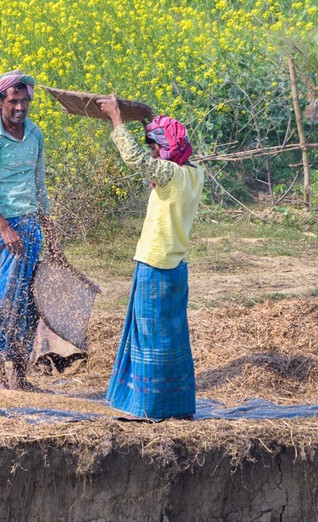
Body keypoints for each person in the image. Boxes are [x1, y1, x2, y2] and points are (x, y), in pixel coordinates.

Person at [97, 94, 205, 419]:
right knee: (172, 335)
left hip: (155, 265)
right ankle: (177, 405)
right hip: (177, 269)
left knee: (149, 335)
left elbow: (135, 159)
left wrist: (118, 119)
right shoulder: (194, 174)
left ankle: (148, 406)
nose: (152, 153)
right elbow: (159, 159)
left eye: (155, 147)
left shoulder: (169, 175)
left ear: (167, 150)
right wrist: (147, 123)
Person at [0, 70, 63, 392]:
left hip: (30, 228)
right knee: (3, 297)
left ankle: (20, 379)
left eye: (25, 101)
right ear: (0, 102)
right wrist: (3, 225)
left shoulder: (35, 135)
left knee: (27, 303)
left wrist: (51, 234)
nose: (20, 107)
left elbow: (39, 186)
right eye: (13, 101)